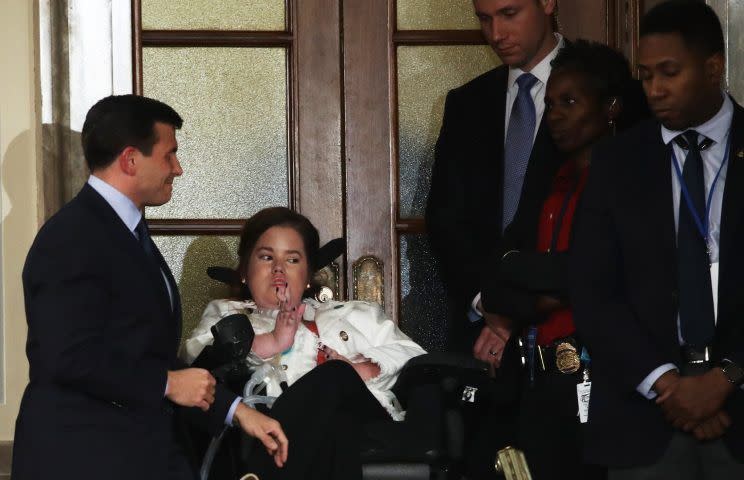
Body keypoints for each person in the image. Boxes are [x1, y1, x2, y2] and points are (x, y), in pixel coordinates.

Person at [11, 95, 287, 480]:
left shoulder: (125, 232)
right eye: (169, 155)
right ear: (129, 160)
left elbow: (143, 351)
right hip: (83, 459)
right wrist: (167, 383)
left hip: (136, 454)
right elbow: (67, 355)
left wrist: (235, 410)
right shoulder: (71, 236)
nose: (178, 168)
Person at [570, 1, 744, 478]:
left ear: (713, 68)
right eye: (645, 76)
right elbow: (592, 290)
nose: (655, 90)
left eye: (669, 72)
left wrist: (725, 378)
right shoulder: (617, 162)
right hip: (642, 418)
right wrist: (668, 384)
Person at [480, 40, 648, 480]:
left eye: (570, 102)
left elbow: (599, 273)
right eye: (551, 103)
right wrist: (542, 296)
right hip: (540, 379)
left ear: (610, 107)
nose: (554, 114)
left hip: (604, 381)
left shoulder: (631, 182)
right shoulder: (550, 182)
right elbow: (498, 272)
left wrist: (538, 273)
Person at [183, 207, 427, 479]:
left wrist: (359, 369)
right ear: (244, 271)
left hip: (367, 431)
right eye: (266, 257)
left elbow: (418, 360)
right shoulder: (227, 313)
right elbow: (196, 360)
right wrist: (272, 342)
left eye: (292, 260)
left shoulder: (354, 313)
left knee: (335, 379)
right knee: (336, 428)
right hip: (281, 435)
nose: (278, 269)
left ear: (309, 274)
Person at [425, 0, 563, 474]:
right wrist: (491, 306)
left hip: (576, 344)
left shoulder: (597, 90)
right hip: (481, 344)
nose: (496, 32)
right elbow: (445, 220)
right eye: (484, 19)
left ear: (548, 2)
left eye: (509, 13)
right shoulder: (468, 102)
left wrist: (515, 313)